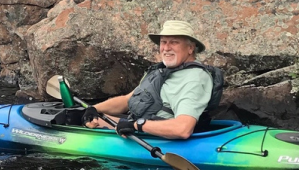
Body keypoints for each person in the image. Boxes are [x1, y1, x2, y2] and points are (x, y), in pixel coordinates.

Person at [82, 20, 213, 139]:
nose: (166, 48)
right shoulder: (160, 71)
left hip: (157, 138)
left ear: (190, 48)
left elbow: (183, 129)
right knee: (85, 119)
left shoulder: (194, 78)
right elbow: (128, 100)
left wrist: (137, 125)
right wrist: (94, 108)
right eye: (163, 42)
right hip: (139, 128)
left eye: (174, 42)